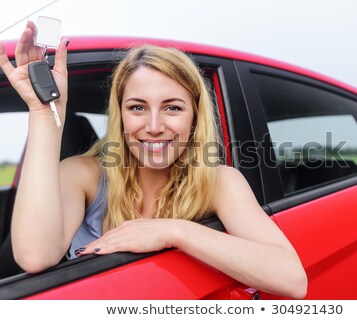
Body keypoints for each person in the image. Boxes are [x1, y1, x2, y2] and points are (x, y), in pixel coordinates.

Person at [0, 21, 307, 299]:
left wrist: (174, 231)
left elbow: (292, 280)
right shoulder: (83, 174)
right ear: (120, 115)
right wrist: (44, 115)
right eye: (137, 108)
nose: (155, 125)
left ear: (195, 117)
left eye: (173, 108)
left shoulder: (218, 181)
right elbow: (35, 256)